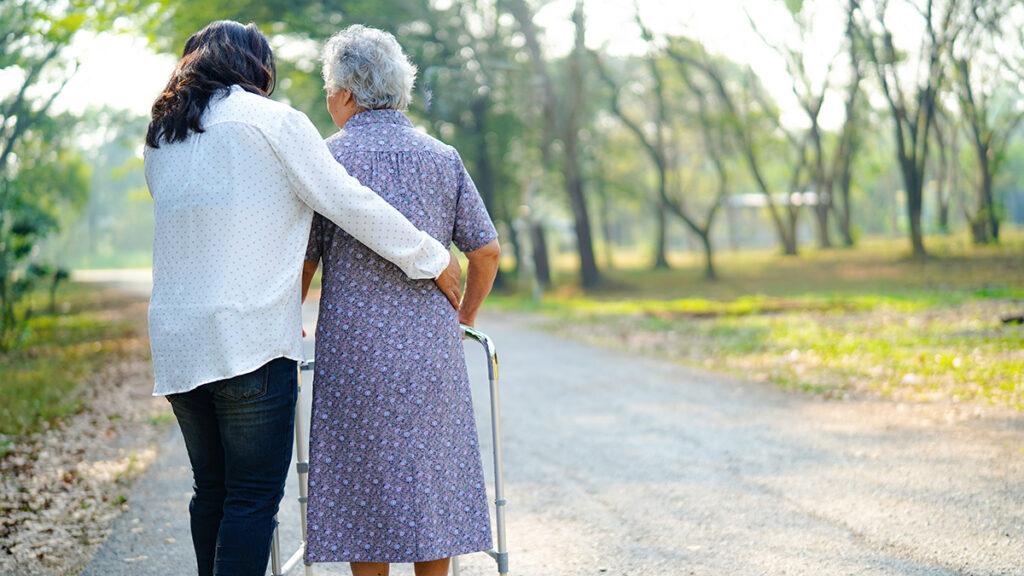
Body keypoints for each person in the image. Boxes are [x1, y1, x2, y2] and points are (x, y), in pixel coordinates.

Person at [144, 20, 463, 576]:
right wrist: (432, 257)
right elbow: (347, 201)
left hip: (177, 340)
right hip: (250, 338)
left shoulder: (163, 136)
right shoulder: (272, 121)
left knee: (211, 491)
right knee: (250, 497)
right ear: (254, 66)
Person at [300, 25, 501, 576]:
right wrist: (463, 319)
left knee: (365, 486)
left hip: (354, 354)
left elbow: (304, 262)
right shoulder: (442, 157)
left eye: (328, 90)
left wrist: (285, 320)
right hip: (431, 353)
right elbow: (485, 253)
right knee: (432, 484)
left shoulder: (324, 161)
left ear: (345, 94)